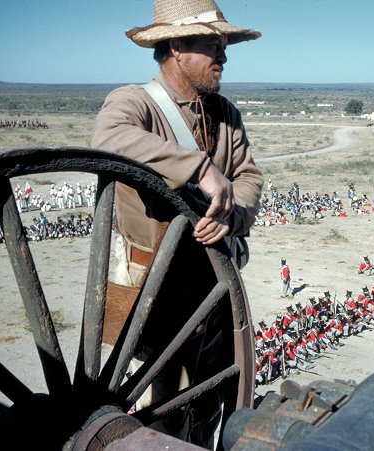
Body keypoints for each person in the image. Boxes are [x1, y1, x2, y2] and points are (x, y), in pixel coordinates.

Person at [90, 0, 262, 446]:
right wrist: (199, 168)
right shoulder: (133, 102)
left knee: (206, 400)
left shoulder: (225, 114)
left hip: (211, 287)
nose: (224, 56)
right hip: (154, 285)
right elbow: (109, 138)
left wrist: (232, 215)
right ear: (177, 48)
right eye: (213, 45)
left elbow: (248, 178)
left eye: (224, 45)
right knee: (157, 403)